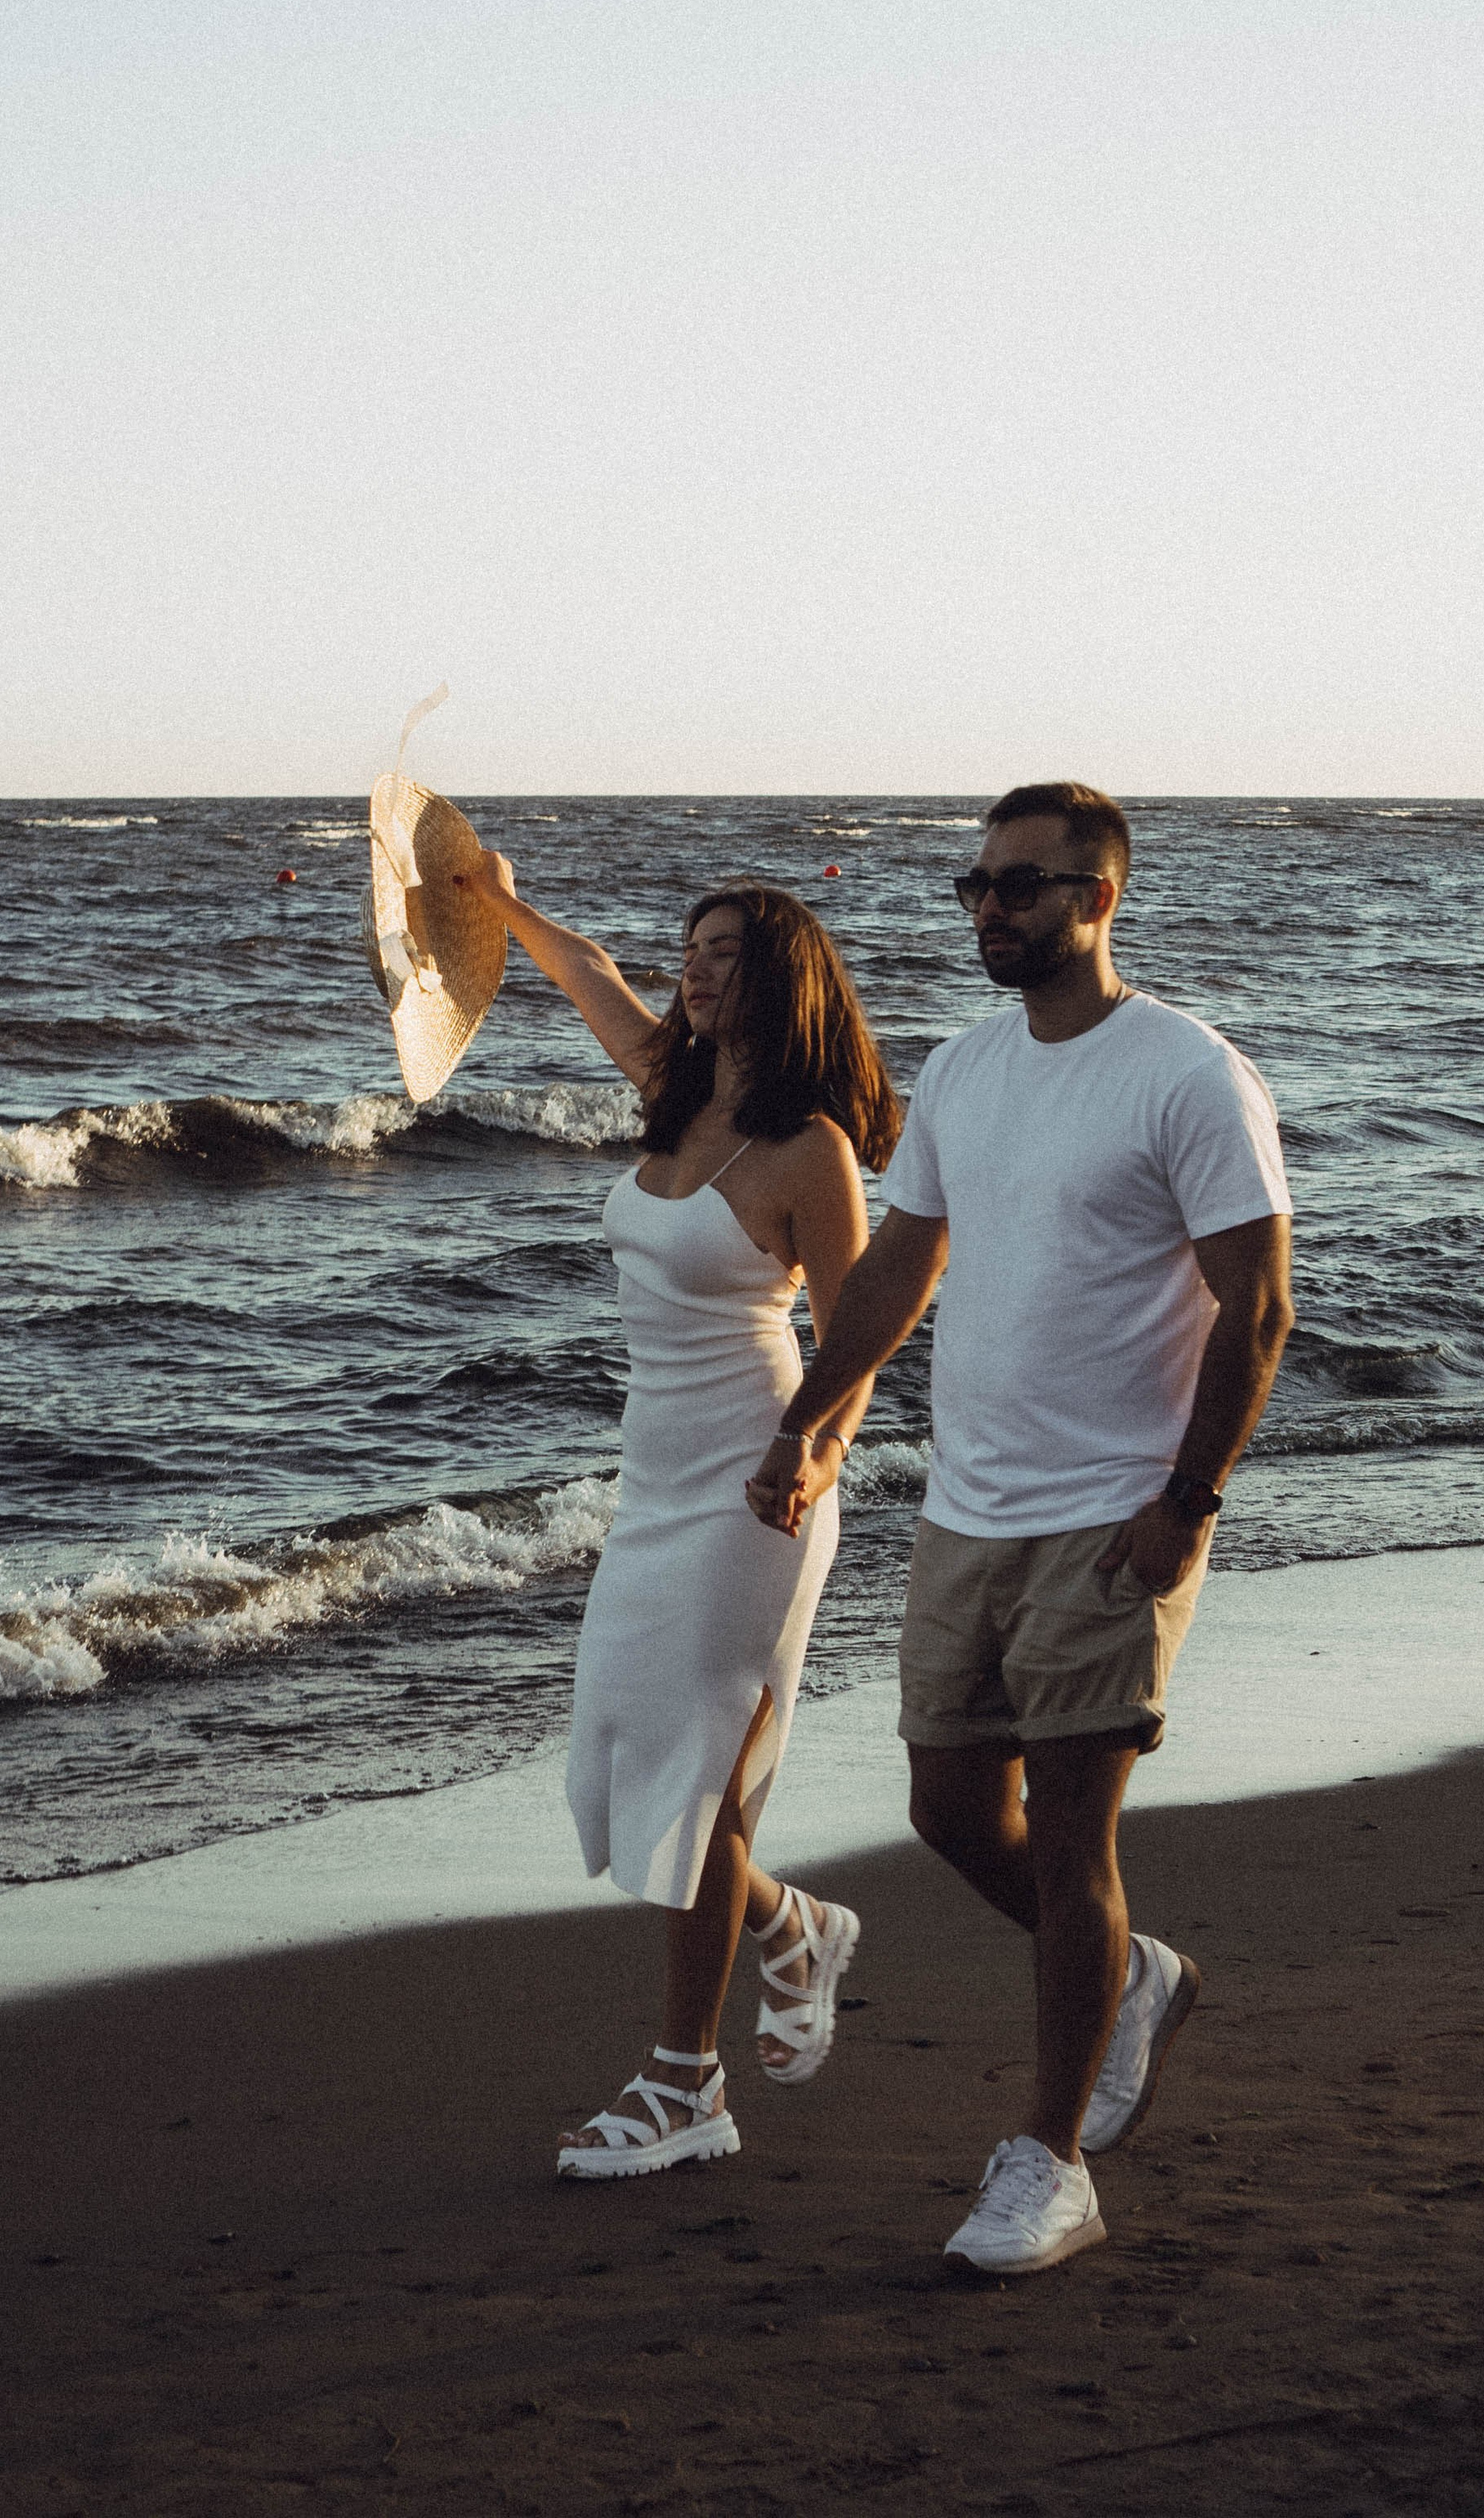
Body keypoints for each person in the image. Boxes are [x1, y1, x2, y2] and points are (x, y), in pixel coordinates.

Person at [747, 781, 1294, 2274]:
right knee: (944, 1808)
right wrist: (810, 1420)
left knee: (1069, 1843)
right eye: (978, 886)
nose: (991, 910)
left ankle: (1049, 2165)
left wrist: (1187, 1505)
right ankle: (1129, 1977)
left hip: (1113, 1517)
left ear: (1098, 899)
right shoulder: (967, 1070)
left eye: (1023, 888)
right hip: (967, 1505)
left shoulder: (1186, 1073)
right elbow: (900, 1265)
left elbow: (1260, 1306)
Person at [453, 854, 903, 2179]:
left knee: (693, 1773)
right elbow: (588, 972)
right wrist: (498, 899)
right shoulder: (674, 1089)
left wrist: (814, 1447)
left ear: (783, 984)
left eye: (723, 956)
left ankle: (684, 2083)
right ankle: (793, 1930)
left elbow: (860, 1331)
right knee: (634, 1751)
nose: (693, 973)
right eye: (690, 950)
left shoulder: (809, 1152)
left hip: (754, 1487)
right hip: (650, 1482)